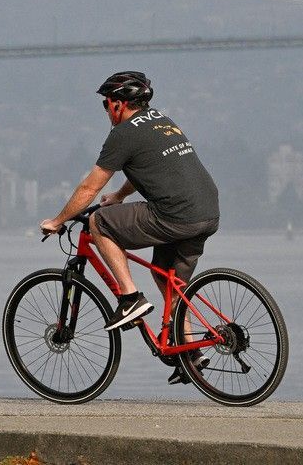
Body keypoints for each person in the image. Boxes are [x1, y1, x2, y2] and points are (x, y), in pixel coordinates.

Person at [39, 70, 220, 384]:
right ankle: (189, 350)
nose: (107, 111)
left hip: (173, 215)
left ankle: (130, 298)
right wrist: (120, 196)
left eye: (106, 105)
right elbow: (148, 166)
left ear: (118, 104)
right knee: (169, 278)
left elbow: (88, 189)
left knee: (98, 222)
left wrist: (57, 221)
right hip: (206, 213)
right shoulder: (161, 121)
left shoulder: (122, 134)